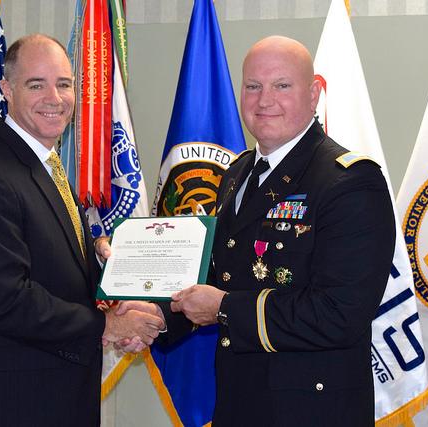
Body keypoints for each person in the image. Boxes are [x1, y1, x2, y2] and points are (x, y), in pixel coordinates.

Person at [166, 36, 396, 426]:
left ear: (315, 93)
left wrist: (223, 307)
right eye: (253, 86)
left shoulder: (350, 182)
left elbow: (339, 314)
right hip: (239, 402)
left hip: (311, 412)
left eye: (282, 86)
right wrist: (148, 315)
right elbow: (219, 278)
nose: (264, 100)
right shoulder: (237, 173)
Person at [0, 34, 163, 427]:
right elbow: (6, 300)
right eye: (36, 84)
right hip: (12, 406)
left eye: (64, 84)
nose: (54, 98)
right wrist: (108, 325)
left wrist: (95, 257)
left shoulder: (44, 164)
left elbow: (48, 261)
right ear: (7, 89)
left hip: (58, 397)